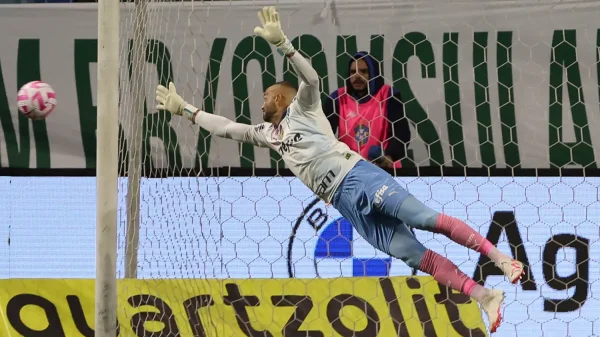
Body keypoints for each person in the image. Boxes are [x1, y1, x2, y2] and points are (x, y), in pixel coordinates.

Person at [155, 6, 523, 334]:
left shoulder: (305, 108)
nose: (262, 101)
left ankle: (500, 258)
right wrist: (185, 109)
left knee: (426, 218)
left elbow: (311, 79)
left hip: (360, 177)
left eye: (267, 95)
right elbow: (226, 128)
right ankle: (485, 296)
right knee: (414, 255)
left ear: (281, 99)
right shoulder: (268, 134)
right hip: (344, 202)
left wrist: (283, 44)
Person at [324, 52, 410, 169]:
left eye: (363, 71)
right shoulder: (338, 98)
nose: (357, 76)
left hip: (384, 169)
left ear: (373, 73)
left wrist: (389, 157)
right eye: (353, 72)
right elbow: (323, 135)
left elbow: (401, 133)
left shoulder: (388, 95)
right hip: (349, 170)